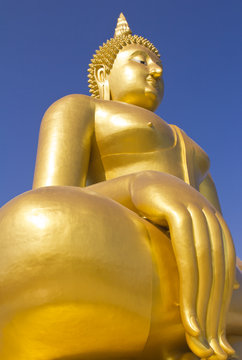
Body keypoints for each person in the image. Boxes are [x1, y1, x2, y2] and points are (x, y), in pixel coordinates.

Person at [0, 13, 241, 360]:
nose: (155, 71)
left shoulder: (194, 151)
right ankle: (212, 324)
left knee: (226, 267)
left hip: (194, 268)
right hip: (125, 246)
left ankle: (195, 321)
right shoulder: (81, 108)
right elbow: (52, 196)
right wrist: (137, 186)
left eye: (158, 65)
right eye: (140, 61)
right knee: (33, 226)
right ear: (103, 77)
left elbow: (216, 235)